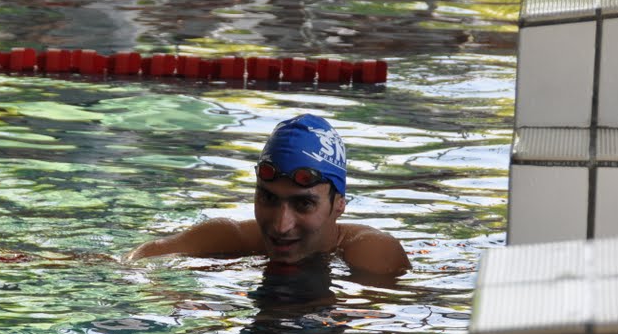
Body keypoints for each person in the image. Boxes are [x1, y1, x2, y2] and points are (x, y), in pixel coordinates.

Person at [129, 114, 410, 276]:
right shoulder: (233, 236)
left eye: (304, 204)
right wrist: (165, 294)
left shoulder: (370, 251)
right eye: (269, 199)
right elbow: (138, 261)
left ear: (339, 204)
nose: (280, 225)